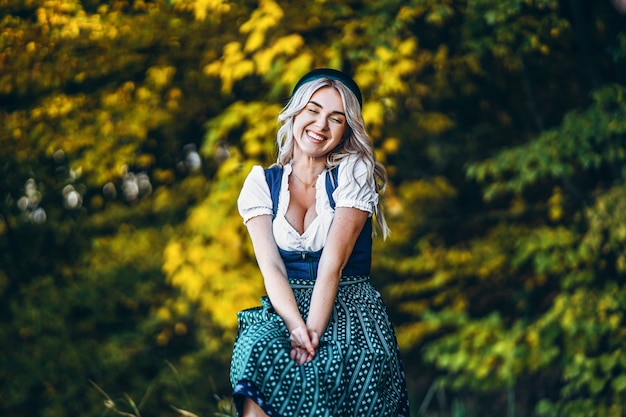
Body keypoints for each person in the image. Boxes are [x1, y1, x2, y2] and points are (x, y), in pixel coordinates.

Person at [230, 68, 410, 417]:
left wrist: (313, 331)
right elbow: (271, 267)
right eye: (313, 110)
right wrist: (296, 328)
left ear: (346, 130)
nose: (321, 125)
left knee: (349, 360)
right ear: (295, 112)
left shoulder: (352, 173)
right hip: (285, 305)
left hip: (348, 301)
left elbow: (333, 265)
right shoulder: (261, 183)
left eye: (336, 118)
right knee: (256, 350)